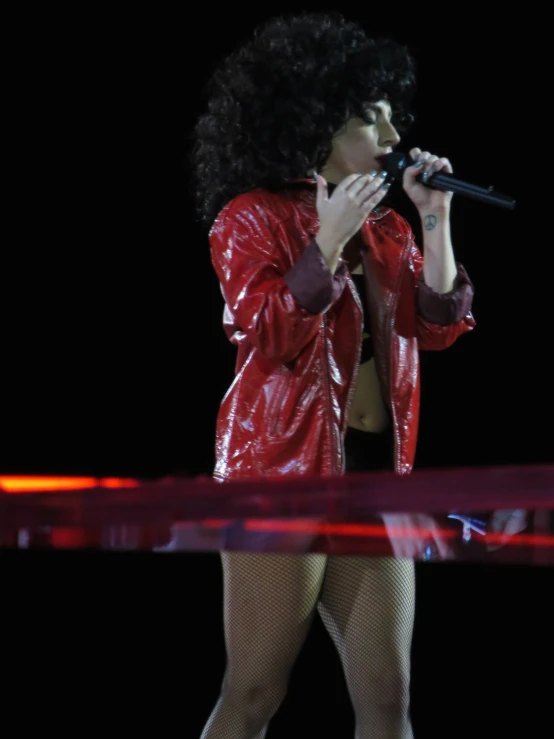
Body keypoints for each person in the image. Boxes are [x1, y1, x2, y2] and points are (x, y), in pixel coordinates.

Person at [190, 11, 475, 739]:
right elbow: (271, 335)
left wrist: (435, 218)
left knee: (387, 697)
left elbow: (437, 330)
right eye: (368, 121)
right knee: (254, 692)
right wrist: (325, 240)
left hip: (375, 478)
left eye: (390, 120)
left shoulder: (389, 229)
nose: (389, 140)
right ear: (315, 124)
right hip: (280, 477)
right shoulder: (248, 218)